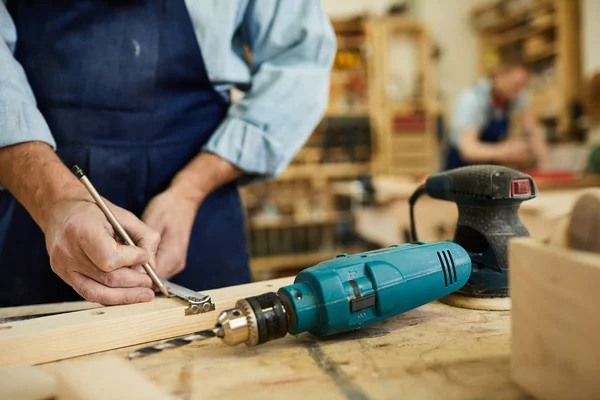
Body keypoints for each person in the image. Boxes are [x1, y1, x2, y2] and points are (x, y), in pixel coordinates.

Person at [0, 1, 336, 306]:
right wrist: (54, 200)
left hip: (198, 194)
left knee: (216, 355)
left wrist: (189, 192)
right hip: (36, 188)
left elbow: (301, 61)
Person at [445, 63, 548, 170]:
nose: (520, 91)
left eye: (523, 86)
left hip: (488, 167)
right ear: (499, 77)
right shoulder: (472, 99)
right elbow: (468, 150)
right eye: (516, 85)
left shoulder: (517, 97)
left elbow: (532, 130)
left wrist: (542, 162)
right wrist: (506, 151)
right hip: (461, 167)